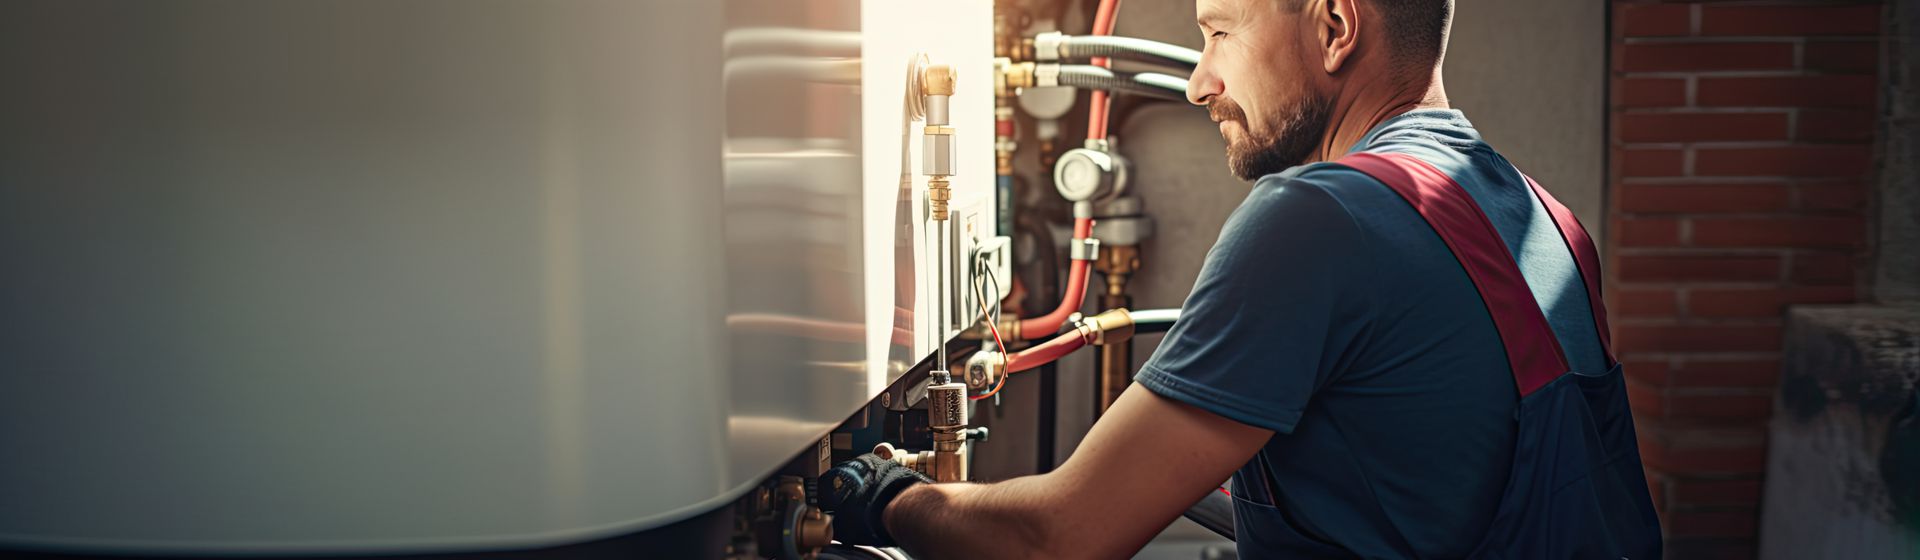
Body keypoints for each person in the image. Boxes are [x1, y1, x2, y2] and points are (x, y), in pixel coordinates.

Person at [824, 0, 1662, 557]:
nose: (1198, 81)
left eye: (1219, 32)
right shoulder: (1546, 217)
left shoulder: (1318, 220)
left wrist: (881, 494)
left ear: (1335, 26)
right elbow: (1415, 499)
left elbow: (1059, 540)